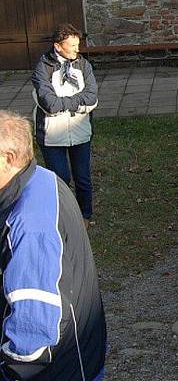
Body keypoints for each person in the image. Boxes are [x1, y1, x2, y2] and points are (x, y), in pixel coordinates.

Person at [0, 110, 107, 380]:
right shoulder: (43, 179)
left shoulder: (29, 224)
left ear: (8, 159)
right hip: (82, 350)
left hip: (56, 369)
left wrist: (9, 369)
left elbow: (33, 335)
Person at [31, 24, 98, 224]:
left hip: (80, 132)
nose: (77, 49)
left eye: (78, 44)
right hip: (52, 136)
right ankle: (63, 218)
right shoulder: (43, 67)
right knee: (59, 178)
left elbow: (92, 97)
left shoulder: (84, 65)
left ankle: (85, 216)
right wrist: (77, 102)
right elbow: (49, 104)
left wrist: (65, 104)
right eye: (72, 45)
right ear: (58, 46)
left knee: (83, 178)